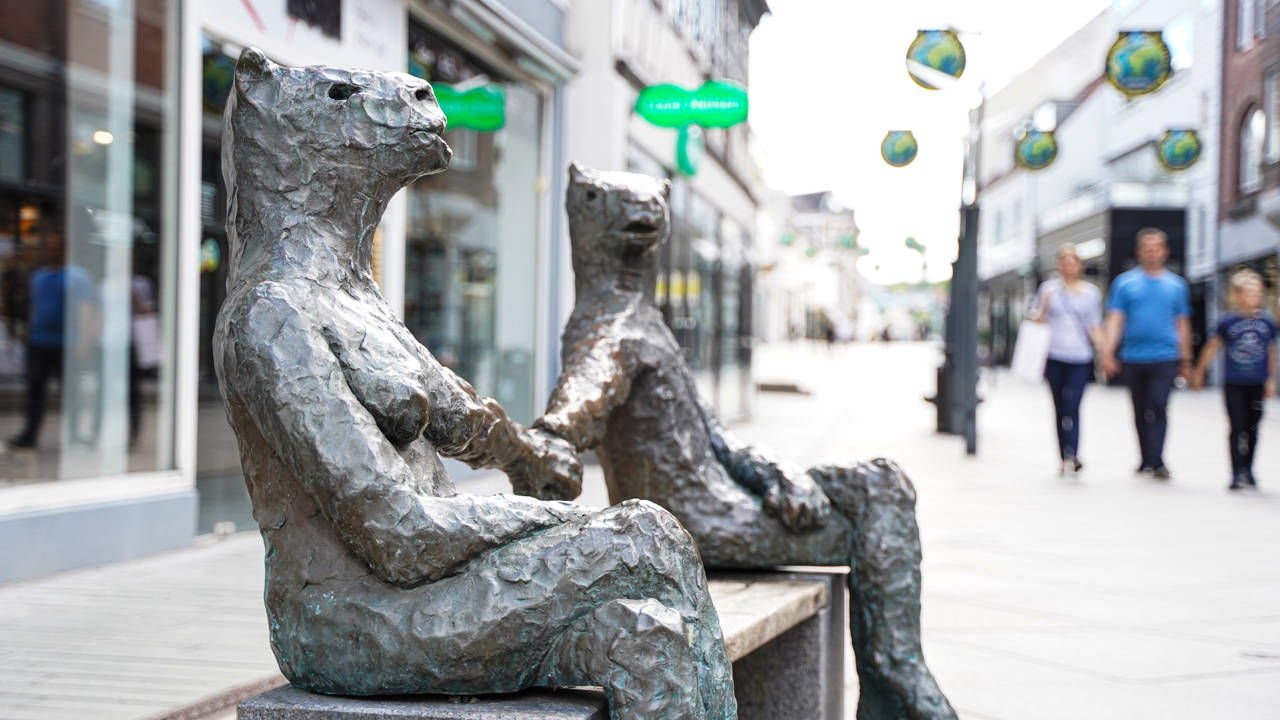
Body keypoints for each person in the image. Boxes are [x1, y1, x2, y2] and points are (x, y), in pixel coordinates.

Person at [1100, 228, 1193, 480]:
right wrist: (1108, 354)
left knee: (1159, 405)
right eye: (1147, 249)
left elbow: (1182, 324)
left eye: (1156, 248)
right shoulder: (1124, 284)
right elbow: (1115, 320)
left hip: (1166, 356)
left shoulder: (1177, 285)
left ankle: (1158, 460)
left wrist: (1186, 359)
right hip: (1133, 356)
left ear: (1165, 252)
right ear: (1139, 252)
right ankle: (1145, 459)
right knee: (1140, 409)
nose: (1152, 253)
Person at [7, 231, 96, 450]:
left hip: (68, 344)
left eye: (56, 247)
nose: (52, 250)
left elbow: (85, 310)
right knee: (35, 390)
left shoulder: (78, 277)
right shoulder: (39, 277)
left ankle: (74, 435)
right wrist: (28, 333)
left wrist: (85, 340)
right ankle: (30, 434)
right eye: (49, 246)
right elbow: (35, 307)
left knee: (71, 393)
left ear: (65, 249)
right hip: (39, 342)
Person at [1191, 269, 1277, 490]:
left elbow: (1270, 351)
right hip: (1234, 381)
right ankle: (1236, 472)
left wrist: (1270, 379)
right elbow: (1212, 346)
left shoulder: (1267, 322)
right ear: (1237, 295)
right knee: (1236, 426)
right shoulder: (1227, 321)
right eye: (1250, 292)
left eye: (1258, 293)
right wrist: (1200, 372)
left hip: (1257, 381)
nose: (1255, 297)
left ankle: (1249, 468)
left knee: (1253, 427)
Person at [1031, 243, 1104, 475]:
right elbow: (1036, 321)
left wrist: (1104, 354)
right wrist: (1045, 305)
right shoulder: (1048, 289)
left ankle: (1073, 453)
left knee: (1073, 405)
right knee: (1060, 406)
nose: (1068, 266)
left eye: (1073, 261)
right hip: (1054, 355)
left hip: (1080, 356)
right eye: (1064, 261)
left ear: (1079, 265)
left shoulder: (1091, 293)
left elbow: (1095, 326)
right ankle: (1064, 456)